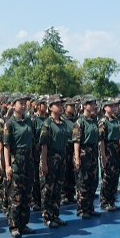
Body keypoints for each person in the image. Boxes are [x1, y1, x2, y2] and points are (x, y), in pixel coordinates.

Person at [3, 93, 35, 238]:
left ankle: (23, 224)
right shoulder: (10, 123)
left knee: (27, 194)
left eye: (24, 103)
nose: (23, 105)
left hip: (28, 160)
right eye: (20, 103)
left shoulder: (29, 121)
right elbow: (6, 146)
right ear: (13, 105)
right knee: (15, 196)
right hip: (17, 160)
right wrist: (8, 165)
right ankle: (14, 226)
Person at [39, 95, 69, 228]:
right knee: (48, 189)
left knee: (58, 188)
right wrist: (44, 163)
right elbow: (44, 145)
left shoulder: (62, 123)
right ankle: (47, 217)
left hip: (61, 159)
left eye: (61, 104)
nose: (60, 106)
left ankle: (55, 215)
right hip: (51, 159)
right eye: (57, 104)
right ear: (50, 107)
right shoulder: (47, 124)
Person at [72, 95, 100, 219]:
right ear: (84, 105)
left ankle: (90, 207)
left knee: (93, 181)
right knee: (82, 182)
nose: (92, 105)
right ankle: (82, 209)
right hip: (83, 152)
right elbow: (76, 141)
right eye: (89, 103)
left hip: (93, 152)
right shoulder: (79, 122)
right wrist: (77, 157)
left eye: (93, 103)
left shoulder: (94, 120)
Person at [98, 99, 120, 212]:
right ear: (105, 108)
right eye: (110, 106)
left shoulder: (116, 120)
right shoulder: (103, 121)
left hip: (116, 149)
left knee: (115, 176)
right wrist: (103, 155)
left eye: (113, 106)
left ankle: (111, 201)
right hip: (107, 149)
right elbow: (101, 139)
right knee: (107, 176)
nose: (113, 108)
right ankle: (104, 201)